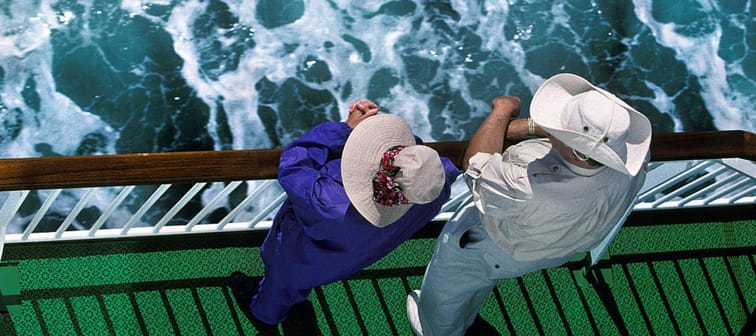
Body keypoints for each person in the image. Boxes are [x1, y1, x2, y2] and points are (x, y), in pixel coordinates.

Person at [406, 73, 652, 335]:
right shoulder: (633, 161)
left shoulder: (529, 187)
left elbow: (476, 165)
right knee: (480, 281)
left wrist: (503, 111)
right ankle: (465, 318)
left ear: (573, 146)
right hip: (550, 248)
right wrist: (533, 128)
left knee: (449, 291)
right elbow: (584, 150)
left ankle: (437, 329)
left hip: (491, 247)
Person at [230, 99, 460, 335]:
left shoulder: (329, 202)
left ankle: (264, 314)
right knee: (301, 282)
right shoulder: (433, 188)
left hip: (295, 257)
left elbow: (295, 163)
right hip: (350, 259)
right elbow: (422, 166)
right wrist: (407, 162)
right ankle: (291, 307)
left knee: (280, 286)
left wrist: (346, 129)